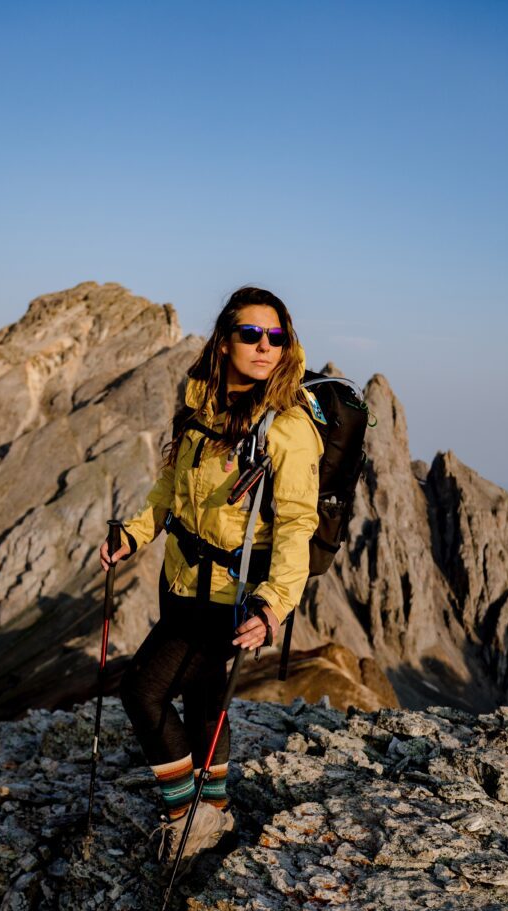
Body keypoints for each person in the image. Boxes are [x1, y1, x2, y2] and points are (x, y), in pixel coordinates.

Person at [99, 285, 323, 864]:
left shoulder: (289, 428)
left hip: (231, 596)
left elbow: (298, 523)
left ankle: (187, 817)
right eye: (251, 334)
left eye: (276, 336)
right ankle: (216, 809)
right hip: (180, 582)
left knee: (142, 692)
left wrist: (274, 602)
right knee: (201, 694)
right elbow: (170, 491)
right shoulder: (202, 408)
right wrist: (134, 533)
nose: (264, 346)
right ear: (224, 342)